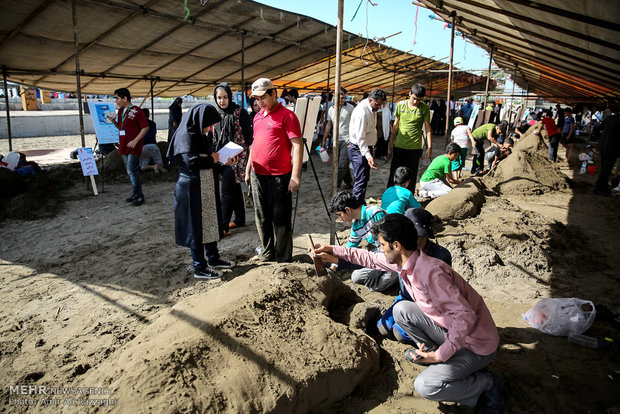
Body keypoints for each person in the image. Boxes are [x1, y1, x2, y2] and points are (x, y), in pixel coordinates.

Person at [312, 214, 501, 413]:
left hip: (476, 345)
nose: (380, 250)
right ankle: (441, 355)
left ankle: (485, 383)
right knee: (402, 310)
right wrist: (333, 250)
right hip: (453, 331)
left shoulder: (431, 274)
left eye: (382, 245)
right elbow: (368, 258)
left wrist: (440, 356)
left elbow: (466, 317)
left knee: (426, 386)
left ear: (397, 245)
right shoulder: (407, 261)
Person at [166, 104, 238, 279]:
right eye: (209, 124)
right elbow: (192, 163)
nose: (210, 128)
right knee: (196, 227)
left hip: (205, 187)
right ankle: (200, 266)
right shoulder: (185, 136)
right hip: (190, 189)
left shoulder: (200, 135)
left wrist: (223, 162)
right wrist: (214, 158)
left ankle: (213, 258)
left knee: (209, 222)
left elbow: (208, 161)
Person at [245, 78, 303, 263]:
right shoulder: (257, 116)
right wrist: (248, 169)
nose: (259, 102)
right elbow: (254, 145)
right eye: (256, 98)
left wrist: (295, 176)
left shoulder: (288, 116)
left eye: (263, 97)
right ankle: (267, 251)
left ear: (273, 93)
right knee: (261, 216)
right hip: (258, 174)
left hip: (280, 176)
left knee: (281, 219)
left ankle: (284, 257)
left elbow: (297, 145)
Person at [377, 208, 452, 341]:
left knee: (399, 333)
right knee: (382, 327)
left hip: (427, 306)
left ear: (423, 236)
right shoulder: (400, 250)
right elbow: (372, 259)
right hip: (404, 299)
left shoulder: (441, 257)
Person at [328, 191, 397, 292]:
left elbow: (392, 242)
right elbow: (349, 248)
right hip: (380, 256)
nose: (340, 219)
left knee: (375, 287)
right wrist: (332, 268)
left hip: (395, 255)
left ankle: (399, 277)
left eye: (339, 215)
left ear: (347, 210)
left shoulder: (375, 213)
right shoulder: (356, 226)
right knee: (356, 276)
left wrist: (378, 270)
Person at [212, 82, 253, 235]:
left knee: (226, 191)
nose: (222, 101)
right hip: (222, 156)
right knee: (234, 187)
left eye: (225, 97)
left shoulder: (239, 112)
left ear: (229, 96)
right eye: (219, 98)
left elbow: (249, 137)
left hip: (238, 157)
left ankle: (222, 227)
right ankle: (240, 219)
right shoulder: (216, 114)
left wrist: (246, 157)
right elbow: (214, 137)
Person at [107, 88, 149, 206]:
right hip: (124, 144)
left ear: (125, 98)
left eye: (117, 98)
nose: (116, 101)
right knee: (130, 170)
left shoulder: (137, 111)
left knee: (131, 170)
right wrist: (114, 122)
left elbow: (145, 127)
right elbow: (121, 128)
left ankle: (139, 194)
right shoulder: (120, 112)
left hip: (134, 146)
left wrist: (136, 140)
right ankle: (136, 193)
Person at [387, 84, 432, 192]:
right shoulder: (401, 106)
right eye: (414, 98)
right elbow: (395, 125)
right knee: (395, 171)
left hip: (415, 147)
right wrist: (391, 141)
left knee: (411, 173)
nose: (416, 102)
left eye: (419, 100)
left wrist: (429, 146)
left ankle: (408, 197)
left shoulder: (424, 108)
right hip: (400, 145)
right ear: (409, 94)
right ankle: (390, 194)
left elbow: (428, 128)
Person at [348, 88, 387, 204]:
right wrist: (368, 155)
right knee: (361, 179)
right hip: (358, 148)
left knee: (364, 178)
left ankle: (359, 202)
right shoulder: (362, 113)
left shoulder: (370, 108)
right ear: (370, 100)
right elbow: (361, 139)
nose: (378, 107)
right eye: (377, 104)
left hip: (365, 148)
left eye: (381, 105)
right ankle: (356, 205)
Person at [322, 87, 354, 189]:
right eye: (340, 98)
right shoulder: (331, 109)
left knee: (342, 165)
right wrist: (324, 139)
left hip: (347, 139)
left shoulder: (350, 108)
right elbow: (329, 124)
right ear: (335, 97)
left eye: (344, 98)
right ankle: (349, 182)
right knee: (339, 164)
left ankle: (336, 186)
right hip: (335, 140)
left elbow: (355, 124)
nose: (342, 100)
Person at [594, 112, 620, 196]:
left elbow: (598, 128)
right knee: (606, 170)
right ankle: (598, 188)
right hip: (612, 148)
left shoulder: (609, 118)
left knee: (605, 168)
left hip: (603, 146)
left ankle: (604, 188)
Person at [139, 109, 167, 174]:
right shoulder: (153, 123)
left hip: (144, 147)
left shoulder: (140, 124)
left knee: (143, 166)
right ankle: (160, 167)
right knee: (160, 163)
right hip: (154, 146)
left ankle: (152, 167)